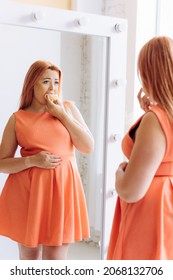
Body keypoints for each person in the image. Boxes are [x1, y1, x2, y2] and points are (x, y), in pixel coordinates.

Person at [0, 60, 94, 260]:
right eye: (46, 82)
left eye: (57, 82)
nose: (53, 88)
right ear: (32, 84)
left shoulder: (67, 108)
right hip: (28, 194)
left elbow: (87, 146)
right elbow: (1, 163)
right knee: (29, 259)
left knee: (56, 260)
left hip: (63, 191)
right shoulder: (18, 118)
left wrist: (61, 114)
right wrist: (32, 160)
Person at [107, 36, 173, 260]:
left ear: (148, 73)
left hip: (150, 214)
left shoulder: (156, 120)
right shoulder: (162, 116)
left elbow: (131, 191)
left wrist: (119, 175)